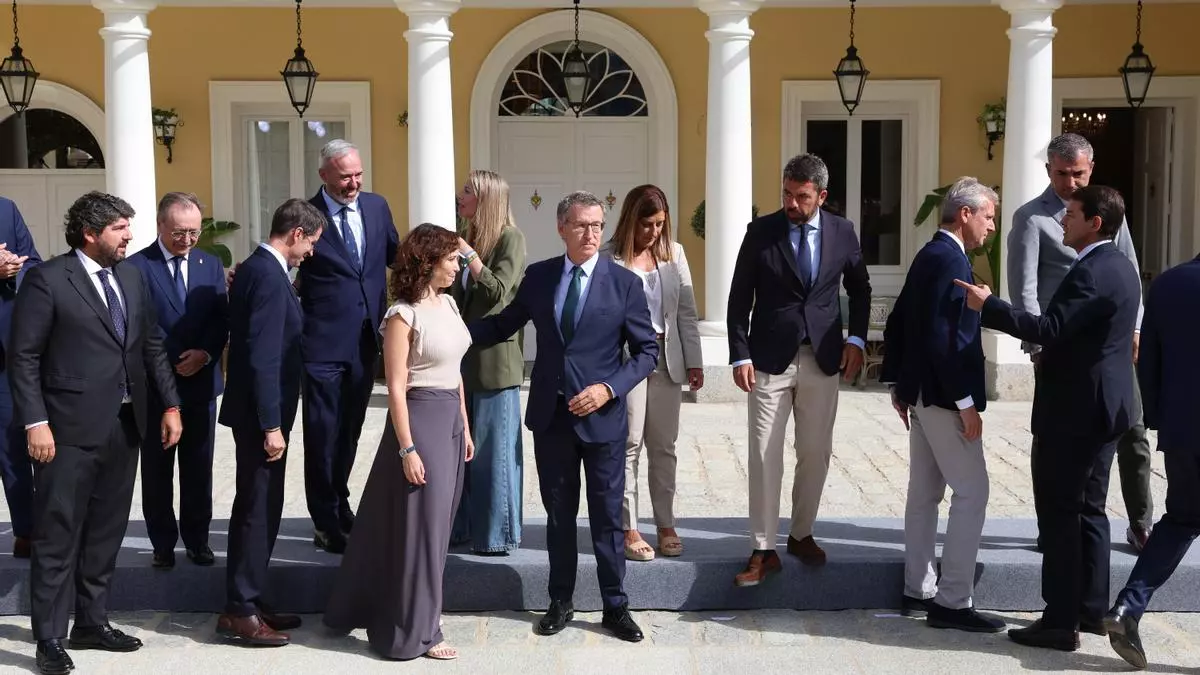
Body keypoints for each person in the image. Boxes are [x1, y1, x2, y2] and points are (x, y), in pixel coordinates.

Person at [956, 185, 1141, 651]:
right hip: (1108, 407)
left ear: (1095, 222)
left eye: (1072, 215)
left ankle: (1059, 621)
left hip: (1075, 412)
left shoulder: (1092, 272)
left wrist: (989, 305)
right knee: (1091, 511)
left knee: (1060, 513)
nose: (1062, 221)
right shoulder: (1121, 266)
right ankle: (1092, 610)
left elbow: (1049, 330)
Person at [468, 191, 658, 642]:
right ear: (561, 228)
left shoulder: (624, 284)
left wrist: (608, 388)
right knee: (559, 515)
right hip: (552, 419)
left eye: (597, 225)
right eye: (581, 225)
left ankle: (615, 605)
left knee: (608, 516)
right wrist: (442, 328)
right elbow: (502, 324)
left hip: (603, 420)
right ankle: (560, 600)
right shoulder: (539, 277)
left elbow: (647, 351)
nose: (591, 233)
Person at [8, 191, 182, 675]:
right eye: (120, 228)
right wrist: (35, 422)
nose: (130, 235)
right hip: (64, 432)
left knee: (106, 532)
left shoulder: (131, 276)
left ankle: (91, 622)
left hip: (126, 426)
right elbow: (23, 358)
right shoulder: (47, 280)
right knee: (57, 535)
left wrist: (170, 403)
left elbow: (150, 344)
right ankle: (48, 637)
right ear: (90, 233)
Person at [324, 223, 474, 661]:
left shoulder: (449, 303)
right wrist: (407, 448)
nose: (457, 266)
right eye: (450, 259)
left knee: (436, 529)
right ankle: (417, 631)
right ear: (427, 262)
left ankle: (421, 615)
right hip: (420, 421)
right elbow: (394, 387)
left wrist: (464, 425)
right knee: (421, 532)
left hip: (449, 420)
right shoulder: (401, 315)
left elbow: (457, 370)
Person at [726, 153, 872, 585]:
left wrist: (857, 340)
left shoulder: (843, 232)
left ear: (821, 196)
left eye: (801, 196)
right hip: (769, 360)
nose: (791, 203)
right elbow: (738, 298)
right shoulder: (761, 232)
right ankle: (762, 547)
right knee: (764, 454)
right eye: (787, 194)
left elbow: (860, 289)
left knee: (815, 453)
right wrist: (740, 353)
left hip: (823, 358)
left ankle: (801, 533)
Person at [1007, 132, 1153, 551]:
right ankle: (1049, 523)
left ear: (1091, 169)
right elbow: (1025, 289)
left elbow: (1130, 272)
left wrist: (1137, 327)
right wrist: (1036, 347)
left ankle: (1141, 521)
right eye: (1061, 173)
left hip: (1112, 344)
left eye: (1078, 173)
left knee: (1134, 431)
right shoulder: (1032, 219)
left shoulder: (1106, 212)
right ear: (1048, 169)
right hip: (1062, 348)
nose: (1070, 182)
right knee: (1051, 439)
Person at [881, 177, 1004, 633]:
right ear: (966, 214)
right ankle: (952, 600)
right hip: (942, 399)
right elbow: (945, 341)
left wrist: (899, 384)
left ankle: (918, 588)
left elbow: (899, 322)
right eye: (988, 215)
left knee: (925, 494)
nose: (992, 226)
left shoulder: (928, 254)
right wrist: (966, 403)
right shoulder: (950, 259)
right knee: (972, 493)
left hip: (922, 395)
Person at [216, 198, 323, 647]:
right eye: (311, 243)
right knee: (256, 510)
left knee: (263, 506)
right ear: (296, 233)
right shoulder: (264, 273)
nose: (311, 253)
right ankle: (241, 609)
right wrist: (271, 425)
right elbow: (261, 357)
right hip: (263, 416)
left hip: (266, 412)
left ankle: (250, 599)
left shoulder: (264, 270)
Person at [301, 139, 400, 554]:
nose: (353, 183)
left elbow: (398, 257)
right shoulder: (305, 215)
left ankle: (339, 502)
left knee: (350, 431)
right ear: (324, 175)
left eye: (358, 174)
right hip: (321, 346)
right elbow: (285, 263)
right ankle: (324, 522)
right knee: (322, 433)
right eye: (344, 176)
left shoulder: (376, 207)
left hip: (364, 342)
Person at [1104, 253, 1200, 669]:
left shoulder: (1168, 283)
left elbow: (1149, 362)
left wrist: (1162, 420)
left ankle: (1128, 607)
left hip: (1182, 432)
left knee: (1181, 520)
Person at [125, 192, 228, 569]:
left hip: (200, 384)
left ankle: (198, 540)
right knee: (157, 470)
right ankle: (162, 543)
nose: (187, 240)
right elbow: (137, 329)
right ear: (160, 226)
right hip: (155, 387)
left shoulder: (210, 265)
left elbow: (221, 318)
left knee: (198, 468)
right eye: (179, 232)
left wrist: (206, 354)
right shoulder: (137, 267)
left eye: (194, 232)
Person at [603, 184, 703, 561]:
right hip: (627, 360)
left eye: (660, 224)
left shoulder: (674, 254)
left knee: (664, 446)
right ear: (631, 220)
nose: (654, 232)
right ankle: (629, 526)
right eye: (647, 224)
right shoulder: (609, 258)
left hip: (667, 357)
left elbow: (687, 314)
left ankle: (666, 523)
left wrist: (694, 361)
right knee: (628, 444)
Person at [449, 169, 526, 555]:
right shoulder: (468, 238)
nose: (459, 195)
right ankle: (461, 528)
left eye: (467, 191)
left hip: (497, 363)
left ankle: (496, 535)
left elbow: (498, 293)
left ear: (485, 199)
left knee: (494, 455)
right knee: (463, 451)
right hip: (461, 362)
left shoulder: (510, 239)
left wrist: (472, 258)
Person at [0, 195, 42, 560]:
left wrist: (15, 267)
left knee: (14, 445)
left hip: (8, 354)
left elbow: (36, 264)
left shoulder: (6, 208)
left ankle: (28, 530)